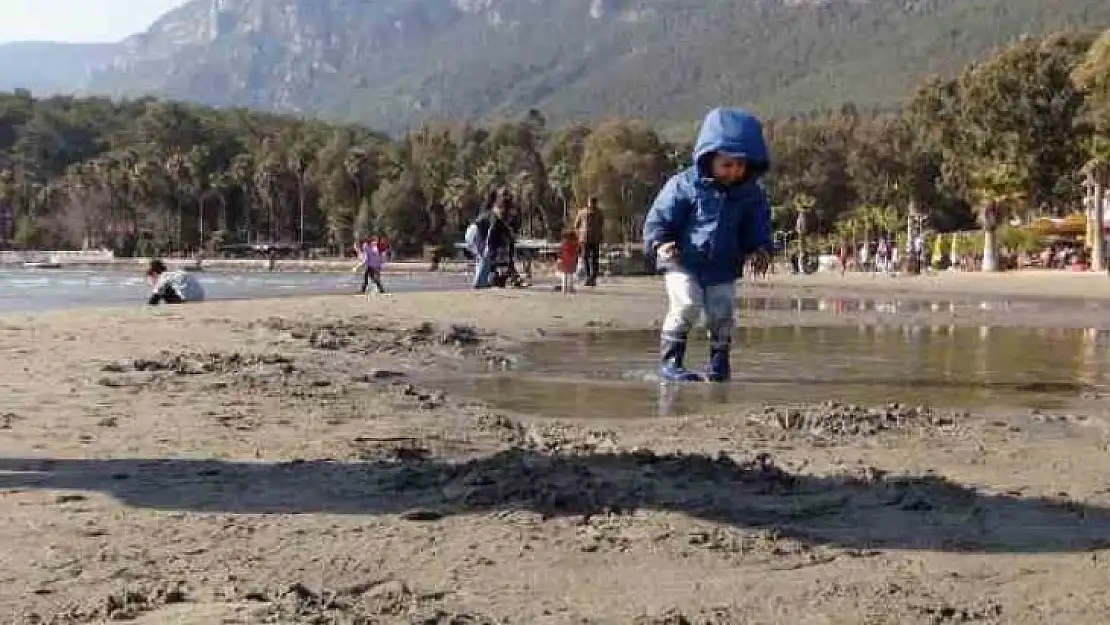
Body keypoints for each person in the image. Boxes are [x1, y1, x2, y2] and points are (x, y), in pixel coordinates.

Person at [642, 107, 772, 383]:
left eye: (740, 165)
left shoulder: (751, 195)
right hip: (682, 261)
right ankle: (671, 363)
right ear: (709, 157)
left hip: (723, 265)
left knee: (722, 313)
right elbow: (659, 218)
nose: (734, 172)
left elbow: (757, 228)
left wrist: (760, 249)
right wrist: (661, 243)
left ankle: (718, 364)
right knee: (687, 304)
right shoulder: (684, 185)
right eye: (727, 165)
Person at [471, 189, 516, 289]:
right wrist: (488, 245)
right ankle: (479, 283)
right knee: (485, 257)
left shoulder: (501, 218)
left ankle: (482, 282)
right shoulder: (497, 215)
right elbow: (492, 230)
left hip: (475, 231)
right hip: (476, 231)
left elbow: (509, 238)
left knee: (484, 257)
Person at [573, 196, 605, 286]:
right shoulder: (582, 212)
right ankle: (588, 277)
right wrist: (579, 235)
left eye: (593, 202)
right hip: (585, 239)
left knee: (595, 259)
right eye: (590, 202)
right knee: (585, 257)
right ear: (588, 202)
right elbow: (576, 225)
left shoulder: (599, 213)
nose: (591, 204)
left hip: (595, 239)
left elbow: (601, 224)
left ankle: (593, 277)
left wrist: (600, 234)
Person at [557, 230, 580, 294]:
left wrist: (559, 259)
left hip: (564, 261)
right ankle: (570, 288)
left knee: (564, 275)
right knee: (570, 275)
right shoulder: (574, 244)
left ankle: (564, 288)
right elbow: (577, 251)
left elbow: (560, 252)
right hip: (572, 261)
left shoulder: (563, 244)